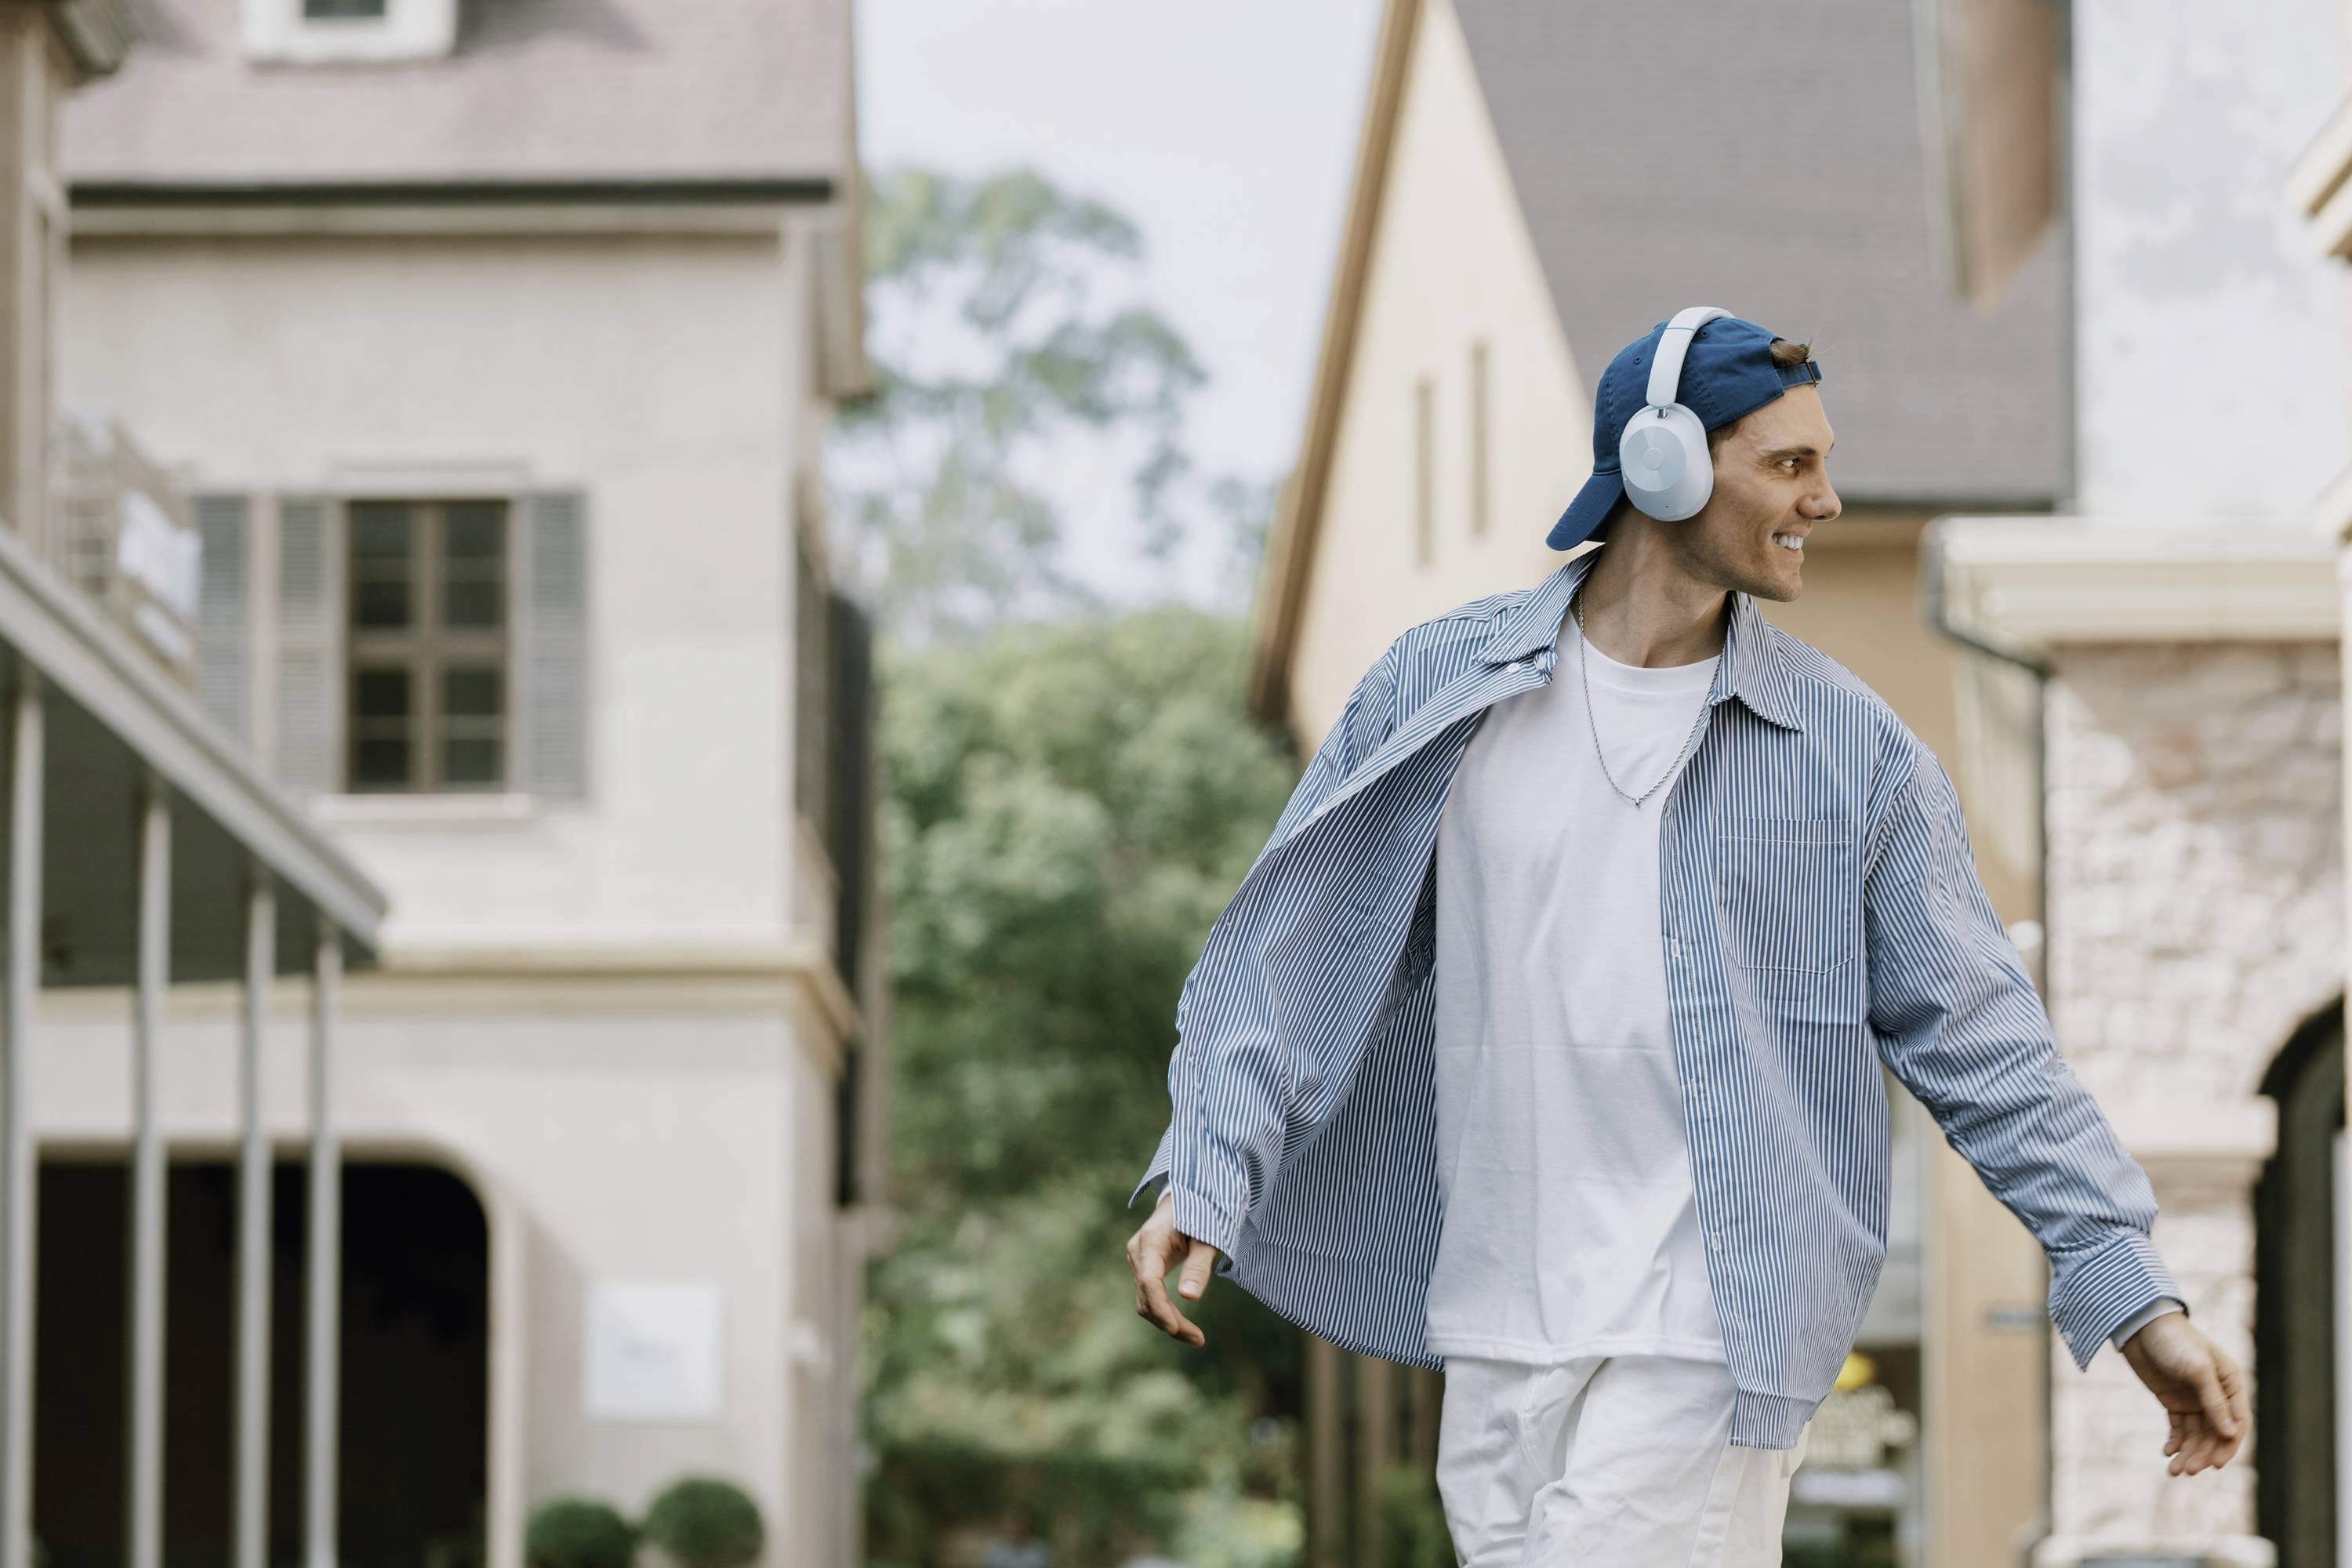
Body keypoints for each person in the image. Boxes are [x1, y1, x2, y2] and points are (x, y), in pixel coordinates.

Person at [1123, 310, 2247, 1564]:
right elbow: (1298, 957)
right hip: (1493, 1316)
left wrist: (2126, 1283)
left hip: (1703, 1323)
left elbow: (1984, 1040)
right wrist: (1208, 1168)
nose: (1825, 500)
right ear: (1660, 464)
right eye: (1789, 464)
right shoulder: (1442, 688)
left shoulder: (1850, 752)